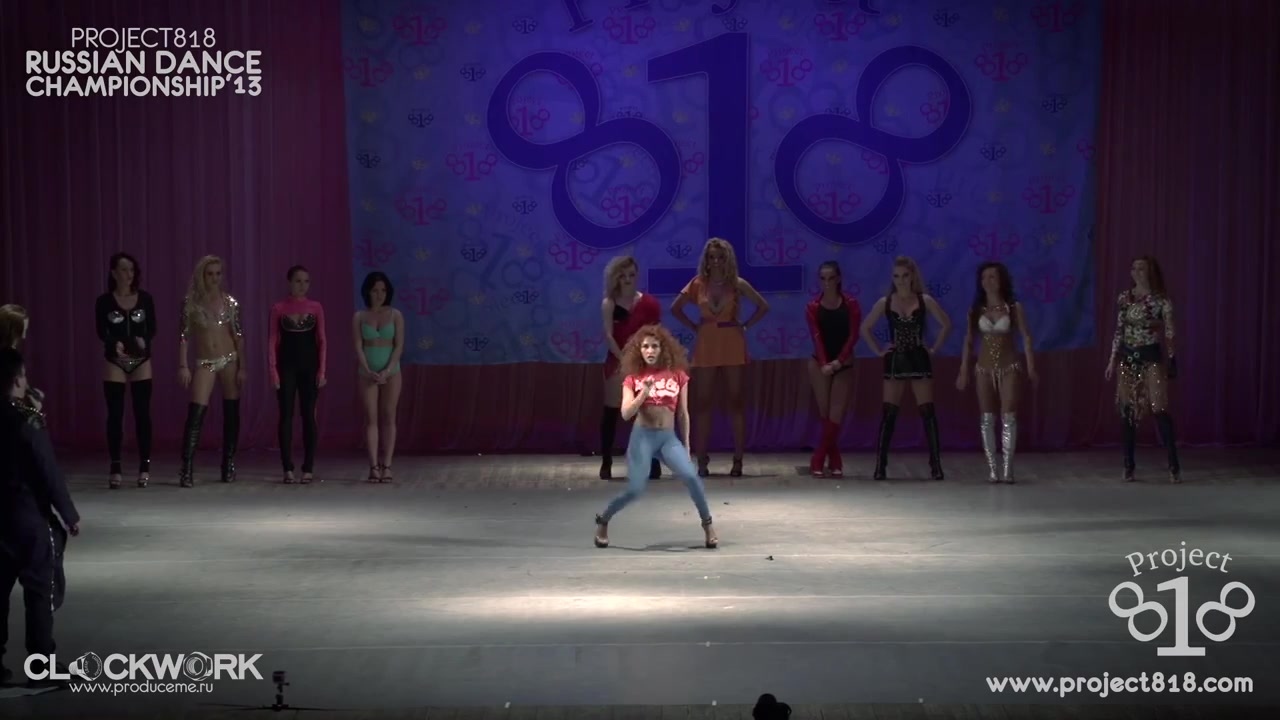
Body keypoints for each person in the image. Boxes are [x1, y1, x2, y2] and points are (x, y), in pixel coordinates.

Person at [592, 324, 717, 550]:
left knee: (692, 478)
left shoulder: (678, 375)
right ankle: (604, 520)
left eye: (654, 346)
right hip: (642, 438)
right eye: (645, 347)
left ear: (663, 349)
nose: (650, 351)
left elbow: (683, 414)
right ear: (639, 350)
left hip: (668, 438)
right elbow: (626, 413)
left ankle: (707, 525)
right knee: (635, 489)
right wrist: (644, 393)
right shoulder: (633, 378)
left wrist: (687, 447)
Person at [0, 348, 80, 688]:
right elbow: (47, 470)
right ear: (17, 380)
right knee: (39, 592)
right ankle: (42, 665)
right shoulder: (27, 421)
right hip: (29, 518)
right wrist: (69, 513)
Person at [670, 238, 769, 477]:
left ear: (728, 259)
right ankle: (701, 459)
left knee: (736, 401)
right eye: (712, 257)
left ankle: (738, 459)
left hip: (732, 342)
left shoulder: (737, 283)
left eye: (720, 257)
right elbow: (675, 308)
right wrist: (695, 327)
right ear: (706, 259)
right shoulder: (698, 284)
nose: (716, 261)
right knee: (703, 402)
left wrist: (744, 326)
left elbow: (763, 306)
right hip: (707, 344)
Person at [859, 256, 952, 480]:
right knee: (889, 413)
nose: (901, 280)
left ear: (912, 276)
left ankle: (936, 464)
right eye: (896, 276)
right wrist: (879, 351)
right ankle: (880, 465)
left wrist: (933, 348)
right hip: (896, 359)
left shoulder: (924, 300)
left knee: (927, 412)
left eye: (905, 275)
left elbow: (946, 324)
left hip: (919, 357)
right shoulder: (885, 302)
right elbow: (865, 328)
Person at [957, 262, 1038, 483]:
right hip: (983, 368)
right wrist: (963, 369)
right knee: (986, 418)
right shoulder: (976, 310)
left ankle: (1008, 468)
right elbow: (968, 341)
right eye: (984, 278)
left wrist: (1031, 366)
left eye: (992, 277)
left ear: (1001, 280)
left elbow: (1026, 336)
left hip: (1009, 366)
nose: (988, 282)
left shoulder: (1013, 307)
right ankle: (992, 469)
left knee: (1008, 416)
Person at [1104, 256, 1179, 483]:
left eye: (1141, 268)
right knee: (1127, 411)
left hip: (1151, 357)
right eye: (1133, 268)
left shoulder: (1161, 301)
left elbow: (1170, 331)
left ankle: (1173, 464)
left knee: (1159, 408)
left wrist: (1172, 358)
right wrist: (1112, 360)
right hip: (1128, 358)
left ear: (1150, 272)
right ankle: (1129, 464)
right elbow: (1119, 330)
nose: (1136, 272)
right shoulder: (1124, 298)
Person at [177, 255, 246, 487]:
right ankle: (186, 468)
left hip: (229, 359)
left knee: (231, 412)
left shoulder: (230, 302)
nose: (215, 278)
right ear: (202, 276)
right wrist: (183, 365)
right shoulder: (191, 303)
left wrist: (243, 367)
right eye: (210, 274)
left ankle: (228, 463)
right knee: (196, 414)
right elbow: (184, 336)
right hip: (205, 361)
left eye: (218, 274)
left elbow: (238, 336)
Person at [94, 252, 158, 489]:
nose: (128, 274)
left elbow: (152, 328)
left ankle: (144, 465)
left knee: (142, 413)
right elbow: (101, 331)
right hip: (115, 361)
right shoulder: (104, 301)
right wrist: (115, 344)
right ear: (113, 273)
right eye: (123, 269)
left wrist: (143, 342)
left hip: (141, 360)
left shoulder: (145, 299)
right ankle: (116, 466)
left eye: (131, 270)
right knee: (115, 414)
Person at [599, 255, 663, 481]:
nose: (627, 279)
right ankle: (606, 460)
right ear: (615, 278)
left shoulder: (650, 304)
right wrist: (624, 360)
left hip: (645, 362)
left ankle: (653, 461)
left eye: (631, 275)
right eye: (623, 276)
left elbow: (655, 335)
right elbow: (608, 336)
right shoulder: (609, 303)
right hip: (617, 361)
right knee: (612, 411)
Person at [269, 265, 327, 484]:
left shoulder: (316, 307)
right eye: (298, 281)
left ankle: (308, 467)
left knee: (308, 416)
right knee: (286, 415)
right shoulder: (278, 308)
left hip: (310, 368)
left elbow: (322, 340)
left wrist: (322, 370)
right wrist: (273, 371)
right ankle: (287, 468)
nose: (302, 285)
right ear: (289, 283)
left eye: (306, 281)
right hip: (286, 368)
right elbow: (272, 341)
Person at [804, 261, 862, 476]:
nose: (827, 282)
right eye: (823, 278)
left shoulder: (851, 304)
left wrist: (839, 361)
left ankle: (819, 456)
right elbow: (816, 336)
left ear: (838, 278)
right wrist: (823, 363)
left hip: (843, 363)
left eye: (830, 278)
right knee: (826, 413)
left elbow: (853, 335)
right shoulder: (813, 307)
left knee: (835, 413)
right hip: (820, 363)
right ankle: (834, 456)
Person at [354, 271, 404, 483]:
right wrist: (368, 369)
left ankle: (387, 465)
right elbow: (358, 346)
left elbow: (399, 346)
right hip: (367, 373)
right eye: (375, 290)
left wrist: (387, 370)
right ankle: (373, 465)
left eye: (383, 290)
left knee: (389, 416)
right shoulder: (359, 316)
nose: (379, 294)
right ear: (368, 291)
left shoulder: (395, 315)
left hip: (391, 372)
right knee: (371, 418)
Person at [0, 305, 44, 417]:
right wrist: (33, 406)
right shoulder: (7, 358)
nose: (23, 336)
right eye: (22, 331)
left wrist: (31, 392)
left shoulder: (11, 354)